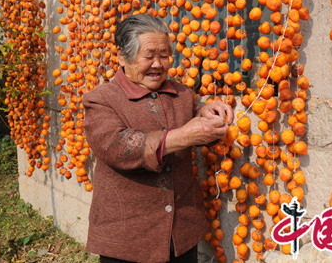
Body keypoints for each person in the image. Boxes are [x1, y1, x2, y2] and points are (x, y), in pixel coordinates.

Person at [83, 14, 234, 263]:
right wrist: (184, 135)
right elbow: (117, 147)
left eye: (164, 56)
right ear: (122, 56)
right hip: (128, 237)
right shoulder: (101, 99)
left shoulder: (182, 93)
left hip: (181, 231)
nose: (158, 64)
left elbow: (197, 127)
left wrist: (208, 115)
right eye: (149, 55)